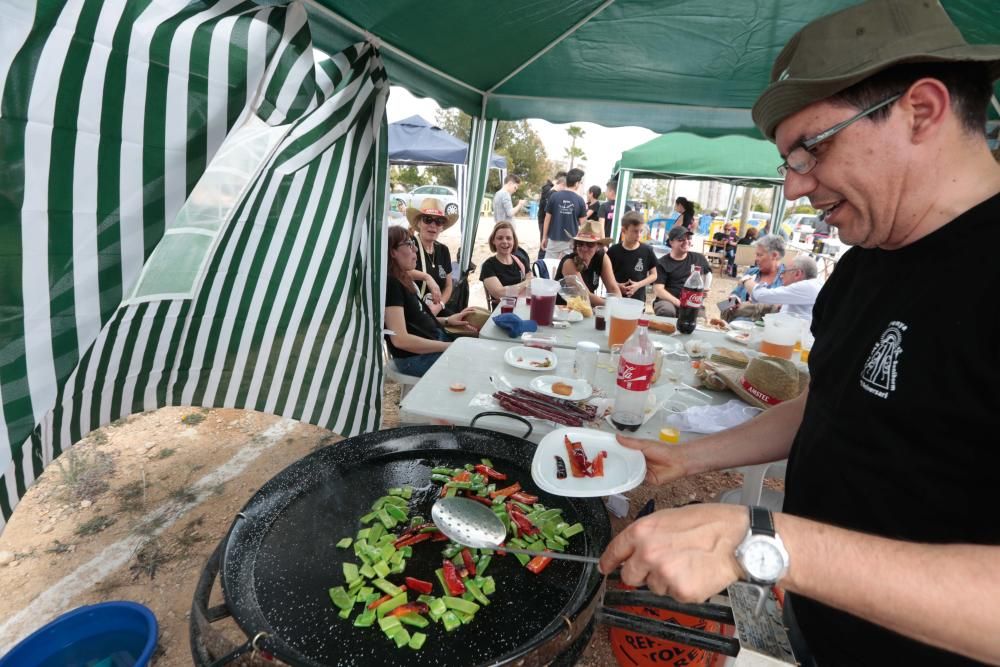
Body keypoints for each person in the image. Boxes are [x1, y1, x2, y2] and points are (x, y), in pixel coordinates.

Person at [599, 1, 1000, 664]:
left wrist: (763, 536)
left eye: (810, 149)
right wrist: (690, 459)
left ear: (921, 110)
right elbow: (833, 404)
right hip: (825, 634)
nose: (793, 186)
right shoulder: (866, 261)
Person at [384, 226, 478, 377]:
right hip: (415, 358)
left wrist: (448, 320)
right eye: (409, 244)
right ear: (392, 252)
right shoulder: (391, 283)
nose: (414, 249)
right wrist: (448, 346)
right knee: (476, 366)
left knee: (479, 348)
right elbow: (400, 340)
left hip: (432, 344)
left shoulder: (402, 279)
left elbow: (417, 321)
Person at [406, 198, 457, 316]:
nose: (433, 225)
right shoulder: (409, 244)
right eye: (427, 219)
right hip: (414, 311)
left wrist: (440, 306)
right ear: (418, 223)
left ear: (442, 227)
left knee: (470, 326)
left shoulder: (443, 250)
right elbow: (397, 271)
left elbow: (449, 286)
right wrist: (427, 277)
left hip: (437, 310)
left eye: (439, 221)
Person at [554, 220, 621, 306]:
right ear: (575, 244)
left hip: (587, 312)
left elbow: (613, 288)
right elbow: (585, 296)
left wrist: (619, 304)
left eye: (590, 244)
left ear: (598, 246)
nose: (584, 248)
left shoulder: (602, 257)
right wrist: (614, 305)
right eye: (580, 243)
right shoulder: (569, 262)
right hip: (564, 313)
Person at [720, 233, 787, 321]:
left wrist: (746, 307)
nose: (756, 259)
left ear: (774, 255)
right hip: (736, 329)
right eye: (756, 255)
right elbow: (733, 297)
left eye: (760, 255)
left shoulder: (787, 278)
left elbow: (780, 310)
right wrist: (733, 299)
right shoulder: (751, 272)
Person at [651, 226, 712, 317]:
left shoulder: (699, 258)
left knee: (700, 318)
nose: (686, 241)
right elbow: (658, 289)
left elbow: (708, 273)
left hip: (692, 300)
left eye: (689, 238)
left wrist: (706, 288)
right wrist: (679, 303)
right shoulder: (662, 263)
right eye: (681, 239)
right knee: (666, 311)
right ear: (671, 242)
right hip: (669, 300)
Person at [742, 254, 822, 320]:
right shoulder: (811, 286)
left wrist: (746, 279)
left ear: (797, 274)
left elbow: (761, 295)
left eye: (784, 271)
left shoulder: (807, 286)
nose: (781, 276)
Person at [607, 211, 658, 303]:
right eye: (635, 231)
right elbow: (605, 276)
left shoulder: (647, 250)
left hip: (638, 301)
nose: (639, 235)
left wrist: (638, 285)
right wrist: (617, 285)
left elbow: (654, 275)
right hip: (615, 299)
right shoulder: (613, 251)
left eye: (641, 231)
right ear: (624, 230)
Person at [479, 221, 531, 310]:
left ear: (514, 241)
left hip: (523, 309)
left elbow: (531, 288)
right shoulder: (488, 266)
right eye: (500, 238)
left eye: (508, 238)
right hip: (502, 313)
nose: (505, 241)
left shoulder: (521, 260)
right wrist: (526, 283)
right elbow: (499, 293)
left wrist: (507, 294)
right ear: (493, 241)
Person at [541, 167, 587, 261]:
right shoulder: (580, 200)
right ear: (577, 183)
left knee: (549, 266)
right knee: (569, 268)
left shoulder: (554, 196)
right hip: (571, 241)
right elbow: (584, 225)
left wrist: (544, 237)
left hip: (554, 239)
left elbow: (547, 218)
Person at [537, 170, 566, 250]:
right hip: (544, 220)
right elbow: (548, 211)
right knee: (544, 246)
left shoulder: (551, 190)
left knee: (545, 245)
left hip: (547, 220)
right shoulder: (549, 190)